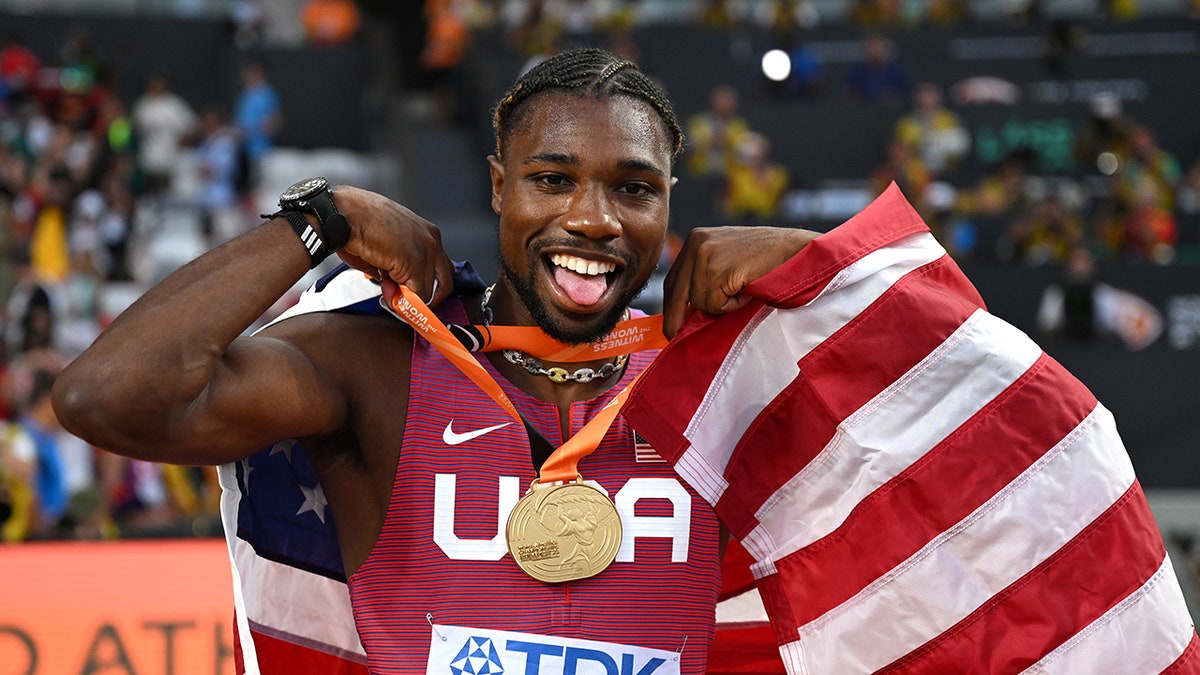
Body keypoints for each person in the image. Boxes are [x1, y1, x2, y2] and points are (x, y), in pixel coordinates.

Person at [53, 48, 816, 672]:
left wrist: (826, 270)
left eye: (634, 188)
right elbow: (104, 397)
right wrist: (323, 218)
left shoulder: (725, 381)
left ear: (670, 203)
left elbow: (936, 459)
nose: (592, 218)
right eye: (552, 179)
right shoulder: (378, 365)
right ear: (497, 186)